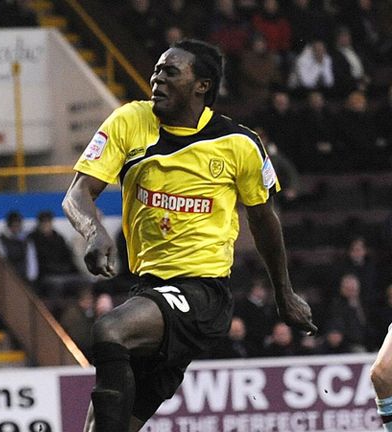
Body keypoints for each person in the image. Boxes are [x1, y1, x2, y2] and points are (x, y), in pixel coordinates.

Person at [62, 39, 317, 431]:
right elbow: (78, 193)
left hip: (203, 294)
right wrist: (93, 231)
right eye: (157, 70)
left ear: (202, 85)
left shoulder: (240, 144)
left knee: (109, 329)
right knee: (107, 425)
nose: (156, 79)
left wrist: (283, 293)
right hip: (147, 292)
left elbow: (264, 221)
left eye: (170, 72)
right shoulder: (130, 121)